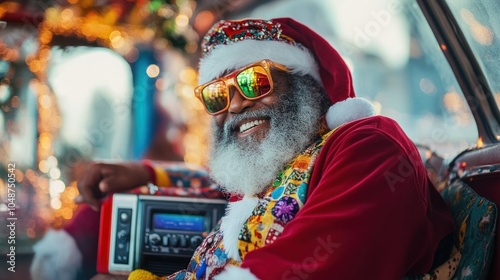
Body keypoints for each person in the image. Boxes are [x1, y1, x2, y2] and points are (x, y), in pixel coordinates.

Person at [46, 17, 457, 280]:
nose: (236, 104)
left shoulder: (366, 145)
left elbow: (322, 261)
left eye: (254, 83)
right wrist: (148, 175)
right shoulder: (270, 169)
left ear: (306, 85)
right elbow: (216, 190)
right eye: (217, 96)